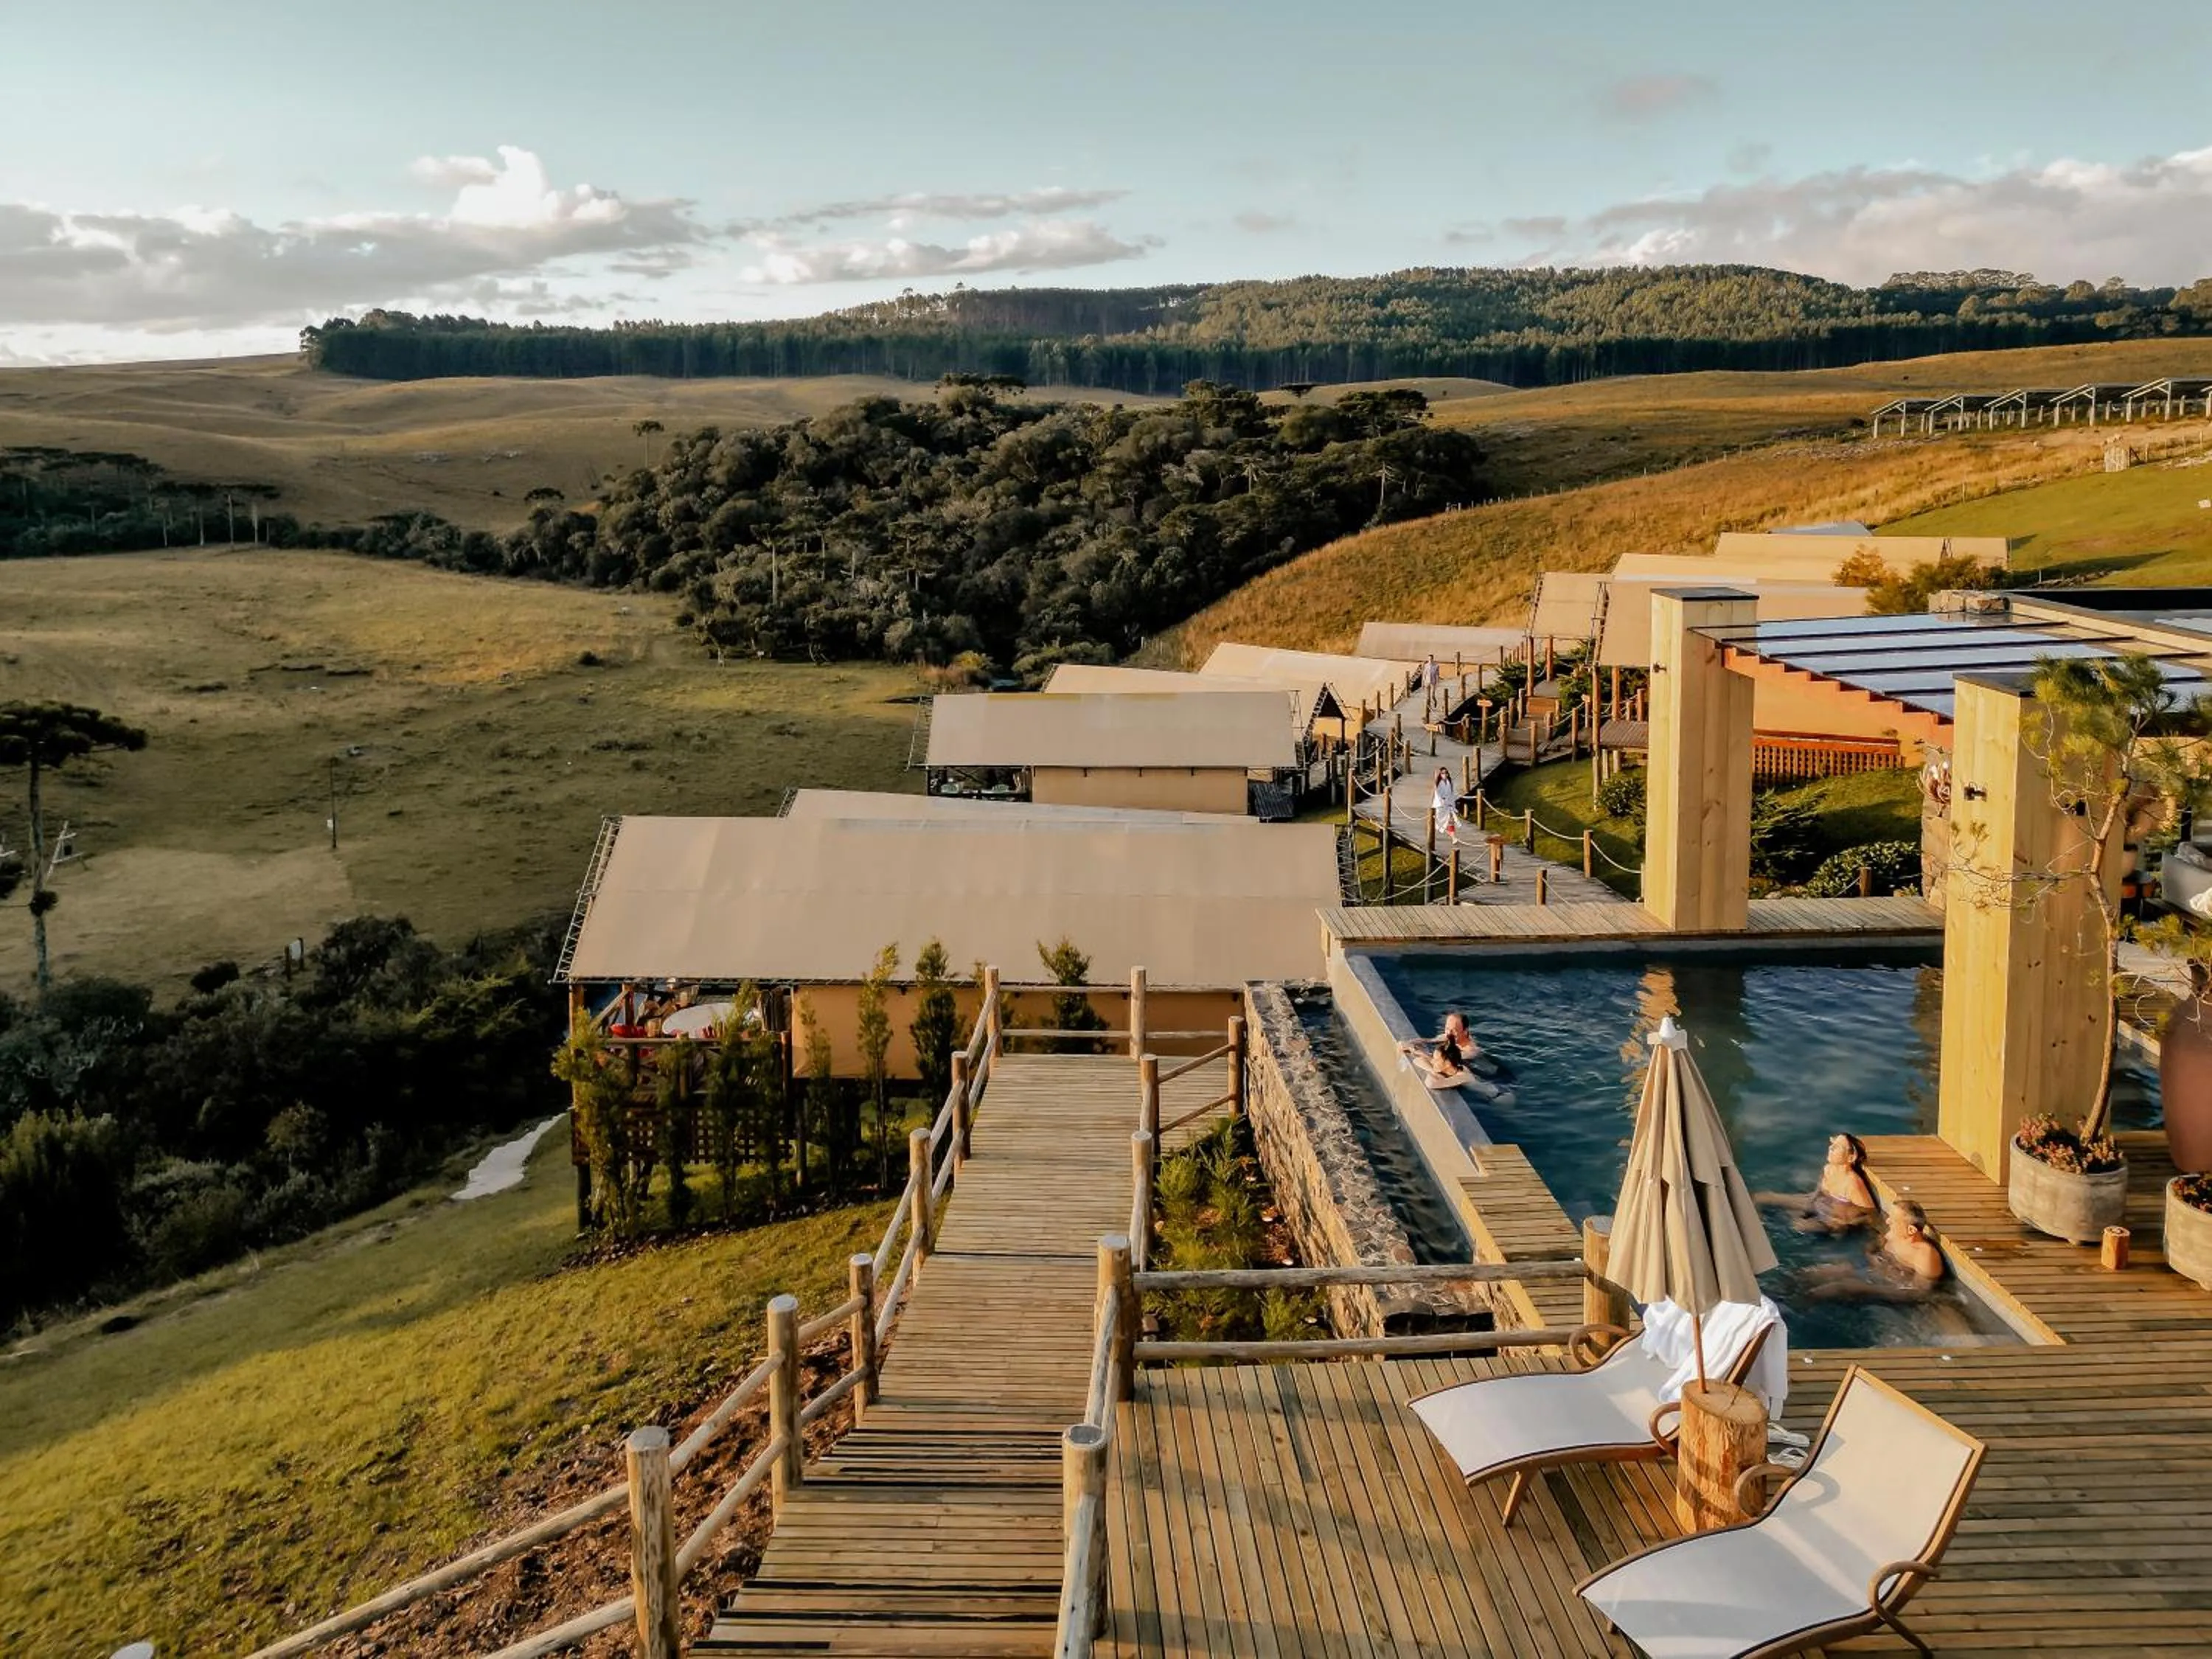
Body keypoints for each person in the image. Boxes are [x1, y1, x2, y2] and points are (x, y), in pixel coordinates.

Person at [1803, 1199, 1948, 1303]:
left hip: (1889, 1285)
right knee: (1816, 1273)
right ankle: (1788, 1298)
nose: (1887, 1221)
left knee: (1840, 1288)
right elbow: (1872, 1247)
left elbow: (1919, 1293)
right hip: (1872, 1270)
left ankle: (1801, 1307)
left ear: (1911, 1230)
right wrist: (1871, 1258)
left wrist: (1871, 1289)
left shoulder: (1925, 1256)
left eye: (1893, 1219)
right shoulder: (1893, 1235)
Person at [1758, 1133, 1877, 1233]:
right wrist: (1807, 1209)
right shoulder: (1828, 1169)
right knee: (1763, 1197)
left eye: (1838, 1147)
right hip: (1817, 1202)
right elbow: (1818, 1193)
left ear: (1851, 1158)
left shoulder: (1852, 1183)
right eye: (1832, 1144)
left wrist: (1845, 1223)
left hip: (1833, 1218)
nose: (1831, 1148)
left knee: (1799, 1226)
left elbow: (1870, 1213)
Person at [1401, 1009, 1480, 1079]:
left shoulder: (1470, 1051)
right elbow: (1429, 1040)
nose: (1449, 1033)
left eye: (1454, 1030)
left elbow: (1443, 1062)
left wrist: (1415, 1051)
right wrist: (1410, 1042)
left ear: (1465, 1031)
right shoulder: (1452, 1036)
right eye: (1447, 1029)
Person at [1430, 765, 1459, 843]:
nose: (1445, 775)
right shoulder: (1439, 783)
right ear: (1440, 774)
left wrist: (1453, 804)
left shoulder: (1450, 782)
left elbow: (1452, 793)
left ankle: (1453, 838)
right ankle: (1432, 835)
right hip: (1440, 805)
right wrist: (1436, 777)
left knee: (1451, 820)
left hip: (1448, 805)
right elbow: (1437, 793)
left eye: (1446, 773)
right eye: (1443, 773)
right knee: (1437, 823)